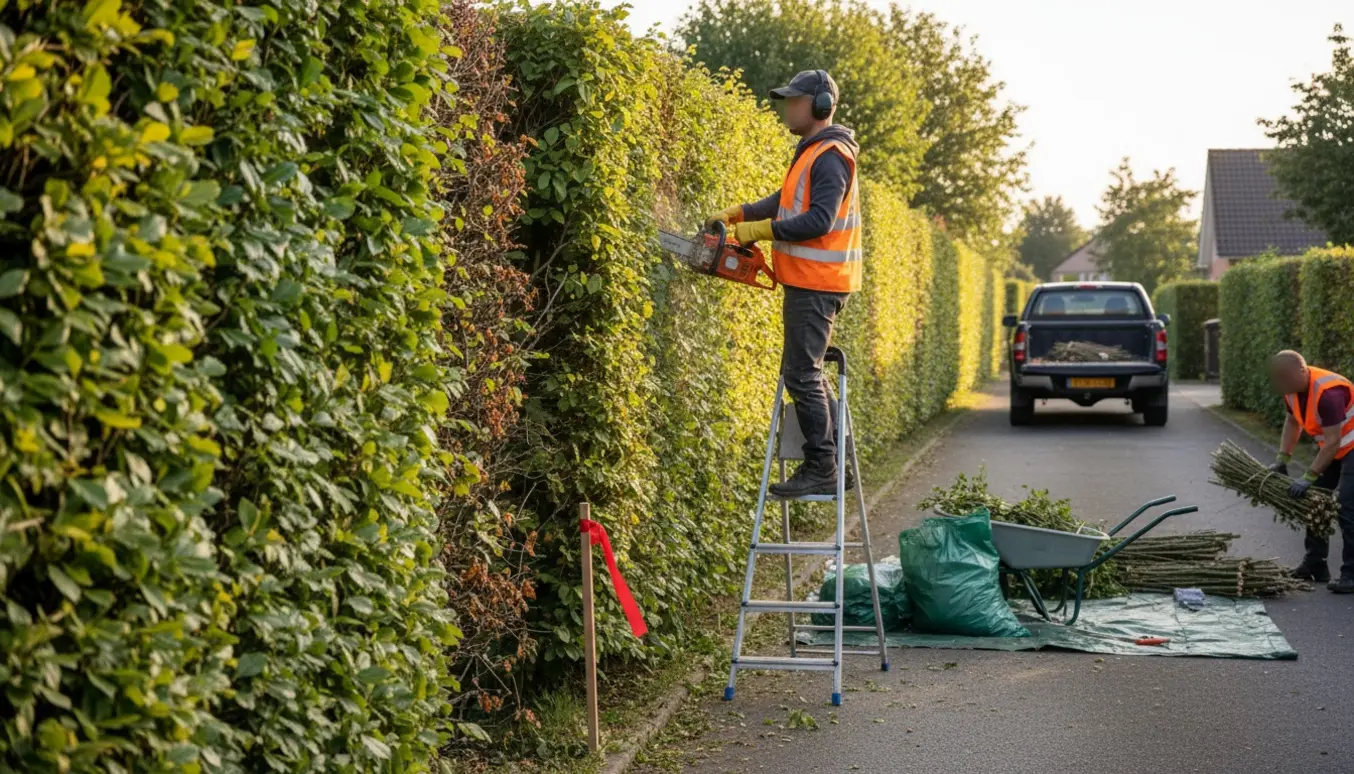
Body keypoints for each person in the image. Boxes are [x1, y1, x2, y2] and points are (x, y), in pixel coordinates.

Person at [708, 70, 862, 498]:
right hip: (811, 282)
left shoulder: (831, 155)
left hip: (818, 282)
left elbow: (819, 220)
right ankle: (839, 462)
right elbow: (784, 200)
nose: (787, 107)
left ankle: (821, 468)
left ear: (819, 106)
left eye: (795, 100)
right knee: (807, 373)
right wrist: (737, 214)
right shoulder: (812, 152)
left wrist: (758, 232)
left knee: (800, 374)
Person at [1266, 350, 1354, 592]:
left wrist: (1308, 476)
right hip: (1336, 448)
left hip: (1347, 447)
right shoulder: (1292, 392)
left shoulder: (1328, 393)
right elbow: (1292, 421)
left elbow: (1333, 441)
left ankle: (1351, 574)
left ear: (1302, 371)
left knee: (1347, 507)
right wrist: (1282, 458)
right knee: (1314, 501)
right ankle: (1316, 564)